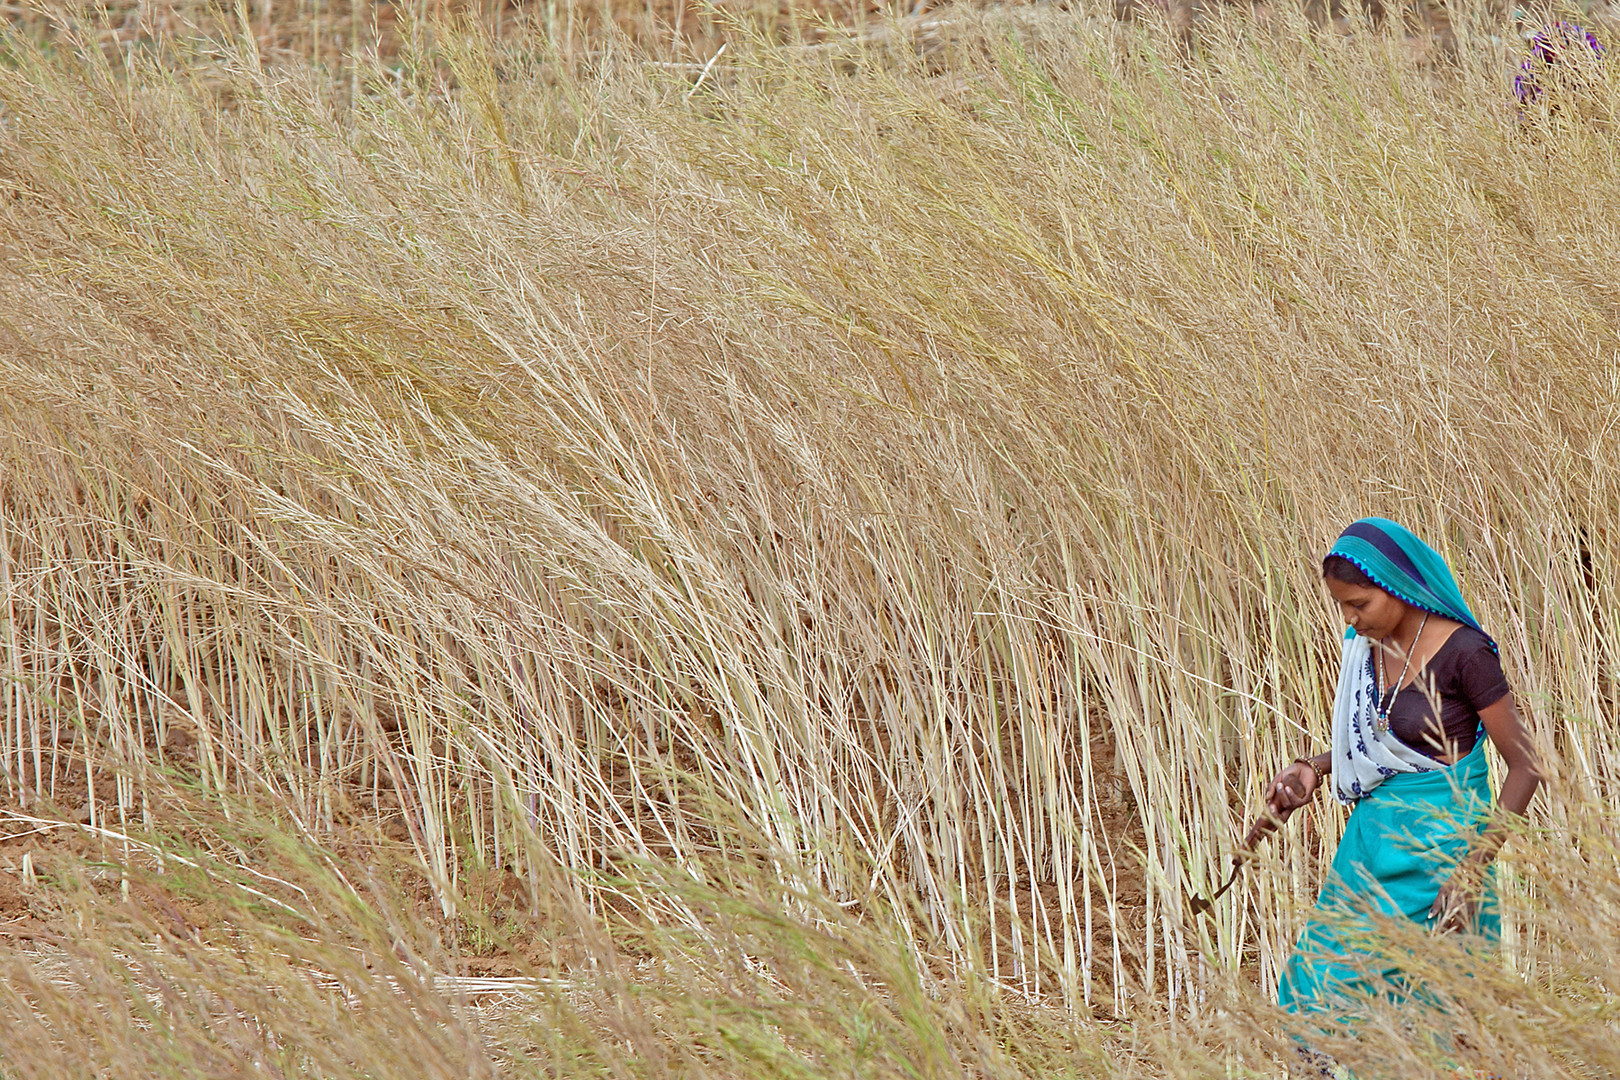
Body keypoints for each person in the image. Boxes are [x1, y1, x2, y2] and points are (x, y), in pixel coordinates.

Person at [1251, 519, 1541, 1042]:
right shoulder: (1366, 649)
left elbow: (1526, 767)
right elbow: (1379, 748)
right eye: (1342, 606)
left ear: (1397, 584)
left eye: (1359, 604)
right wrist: (1313, 769)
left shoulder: (1465, 655)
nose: (1349, 619)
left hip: (1442, 861)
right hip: (1370, 850)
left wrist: (1471, 872)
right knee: (1315, 985)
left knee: (1432, 1012)